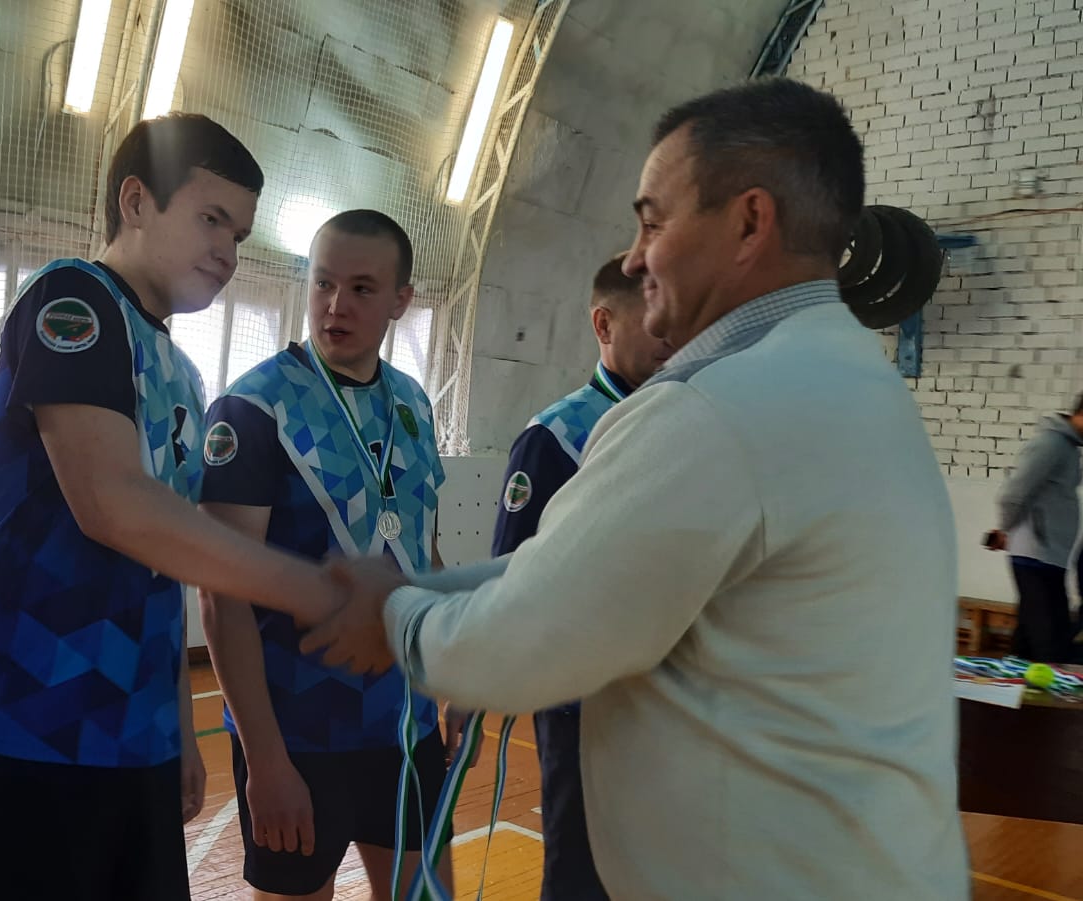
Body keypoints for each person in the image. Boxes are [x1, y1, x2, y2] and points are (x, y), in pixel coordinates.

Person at [302, 77, 970, 899]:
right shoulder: (854, 382)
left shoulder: (717, 411)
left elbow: (520, 640)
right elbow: (560, 567)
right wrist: (423, 589)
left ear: (749, 223)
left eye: (653, 221)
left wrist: (393, 612)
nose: (632, 257)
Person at [0, 114, 347, 901]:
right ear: (137, 201)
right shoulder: (74, 299)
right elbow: (112, 504)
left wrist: (175, 723)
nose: (228, 250)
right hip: (21, 726)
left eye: (240, 233)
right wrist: (314, 588)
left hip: (132, 739)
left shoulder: (183, 373)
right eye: (211, 218)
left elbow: (163, 562)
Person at [199, 211, 461, 901]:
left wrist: (457, 673)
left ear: (401, 300)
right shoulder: (254, 407)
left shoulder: (412, 404)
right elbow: (221, 594)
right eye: (323, 283)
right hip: (298, 734)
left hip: (403, 727)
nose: (336, 305)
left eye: (362, 288)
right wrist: (265, 760)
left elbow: (425, 553)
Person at [490, 253, 670, 901]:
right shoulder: (557, 437)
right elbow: (511, 573)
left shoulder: (687, 423)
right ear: (604, 323)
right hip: (587, 708)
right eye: (654, 319)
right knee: (582, 876)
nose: (672, 334)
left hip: (676, 702)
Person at [985, 397, 1083, 663]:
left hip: (1049, 556)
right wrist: (1004, 529)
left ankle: (1013, 684)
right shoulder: (1050, 443)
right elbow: (1013, 493)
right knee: (1051, 646)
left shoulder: (1068, 448)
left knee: (1029, 642)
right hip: (1036, 554)